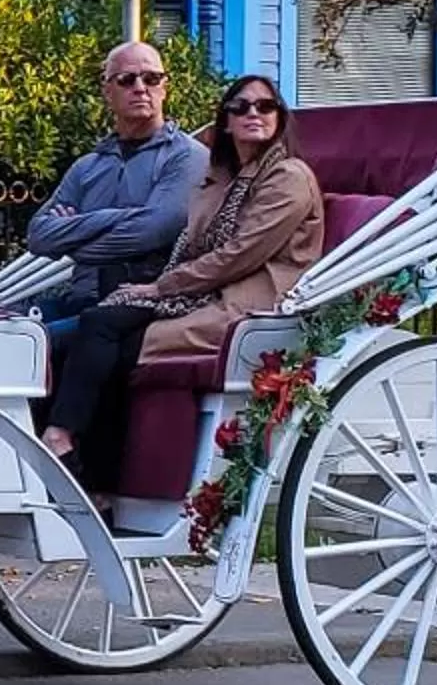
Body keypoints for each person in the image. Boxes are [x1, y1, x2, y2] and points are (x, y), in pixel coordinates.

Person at [38, 73, 324, 499]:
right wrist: (160, 284)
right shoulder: (223, 178)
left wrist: (158, 288)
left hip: (244, 302)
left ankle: (65, 447)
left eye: (265, 107)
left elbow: (238, 256)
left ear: (280, 119)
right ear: (225, 121)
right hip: (194, 291)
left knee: (105, 332)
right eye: (240, 107)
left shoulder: (288, 178)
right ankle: (81, 473)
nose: (253, 114)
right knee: (65, 341)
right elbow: (185, 240)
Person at [23, 42, 208, 347]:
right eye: (126, 80)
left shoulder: (187, 157)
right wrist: (121, 217)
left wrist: (76, 240)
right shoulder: (88, 166)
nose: (140, 88)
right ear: (108, 91)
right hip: (80, 298)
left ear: (165, 87)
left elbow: (151, 230)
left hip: (139, 309)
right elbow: (38, 235)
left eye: (151, 79)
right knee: (0, 331)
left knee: (35, 347)